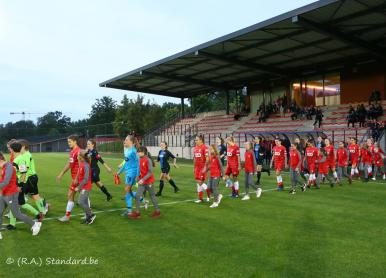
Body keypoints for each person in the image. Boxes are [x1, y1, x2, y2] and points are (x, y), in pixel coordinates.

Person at [0, 152, 42, 236]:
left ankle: (35, 224)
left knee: (16, 214)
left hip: (11, 194)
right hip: (4, 193)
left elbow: (6, 182)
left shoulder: (8, 167)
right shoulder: (3, 167)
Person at [129, 146, 161, 219]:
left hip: (149, 182)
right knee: (137, 196)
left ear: (143, 152)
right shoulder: (140, 159)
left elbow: (150, 172)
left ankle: (157, 211)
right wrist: (137, 177)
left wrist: (142, 179)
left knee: (152, 196)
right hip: (142, 182)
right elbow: (140, 170)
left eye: (139, 152)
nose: (137, 153)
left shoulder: (148, 160)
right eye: (137, 152)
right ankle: (137, 213)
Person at [57, 135, 81, 222]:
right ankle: (89, 214)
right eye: (68, 142)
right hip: (75, 178)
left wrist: (77, 178)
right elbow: (69, 164)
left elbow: (81, 166)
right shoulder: (72, 152)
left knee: (71, 195)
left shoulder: (79, 152)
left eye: (70, 141)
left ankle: (67, 216)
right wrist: (61, 173)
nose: (69, 143)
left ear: (75, 141)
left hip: (79, 178)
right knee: (83, 197)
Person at [116, 135, 140, 216]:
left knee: (127, 190)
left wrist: (137, 175)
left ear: (131, 142)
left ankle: (129, 211)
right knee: (128, 191)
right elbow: (126, 164)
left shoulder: (134, 151)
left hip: (133, 174)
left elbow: (139, 163)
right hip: (128, 173)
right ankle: (142, 199)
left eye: (126, 140)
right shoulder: (126, 151)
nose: (124, 141)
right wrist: (119, 172)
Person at [74, 150, 96, 224]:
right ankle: (88, 218)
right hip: (83, 186)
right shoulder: (82, 164)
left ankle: (91, 215)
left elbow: (86, 179)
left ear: (81, 157)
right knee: (85, 203)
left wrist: (79, 187)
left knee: (80, 202)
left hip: (86, 187)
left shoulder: (86, 165)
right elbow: (81, 176)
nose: (77, 156)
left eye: (78, 155)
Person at [193, 135, 211, 203]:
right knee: (198, 183)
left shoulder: (205, 147)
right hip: (197, 168)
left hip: (202, 167)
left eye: (197, 140)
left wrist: (205, 168)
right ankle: (200, 199)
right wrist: (194, 168)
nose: (195, 141)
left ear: (201, 140)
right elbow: (194, 158)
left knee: (200, 182)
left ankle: (208, 192)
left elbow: (207, 159)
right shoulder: (195, 148)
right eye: (195, 140)